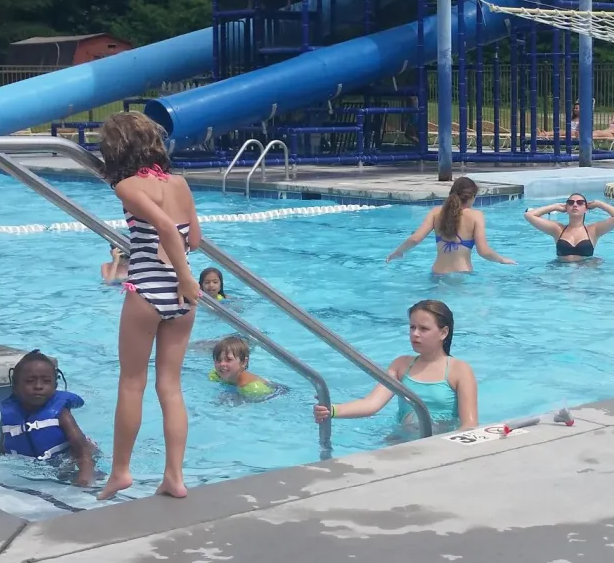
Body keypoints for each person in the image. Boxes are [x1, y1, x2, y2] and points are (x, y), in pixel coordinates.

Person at [96, 111, 202, 501]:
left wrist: (184, 276)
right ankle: (174, 476)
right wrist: (186, 279)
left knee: (131, 383)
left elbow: (165, 229)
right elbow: (196, 239)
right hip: (183, 298)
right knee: (170, 386)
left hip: (148, 288)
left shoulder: (127, 186)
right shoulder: (179, 182)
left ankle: (121, 471)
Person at [313, 300, 478, 435]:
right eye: (412, 327)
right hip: (400, 441)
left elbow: (469, 425)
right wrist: (332, 410)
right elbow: (372, 403)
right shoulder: (401, 365)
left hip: (438, 442)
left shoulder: (460, 370)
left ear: (443, 333)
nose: (415, 334)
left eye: (424, 329)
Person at [0, 351, 94, 486]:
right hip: (35, 468)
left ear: (55, 386)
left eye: (46, 381)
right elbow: (1, 452)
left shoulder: (61, 413)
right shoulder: (9, 417)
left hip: (67, 461)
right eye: (30, 381)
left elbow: (82, 449)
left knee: (68, 475)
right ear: (15, 387)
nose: (38, 386)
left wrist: (84, 479)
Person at [387, 177, 514, 274]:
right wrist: (502, 259)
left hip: (437, 274)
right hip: (462, 276)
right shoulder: (476, 216)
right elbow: (484, 251)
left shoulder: (436, 212)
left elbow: (415, 239)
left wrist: (398, 251)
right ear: (472, 197)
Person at [523, 193, 614, 262]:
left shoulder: (593, 230)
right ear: (566, 208)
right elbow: (529, 215)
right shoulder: (558, 229)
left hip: (586, 273)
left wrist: (599, 204)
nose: (575, 205)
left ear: (586, 209)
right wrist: (554, 206)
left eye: (580, 203)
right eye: (571, 203)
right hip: (560, 271)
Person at [209, 336, 273, 401]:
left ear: (244, 362)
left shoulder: (254, 390)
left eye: (228, 360)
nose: (222, 364)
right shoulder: (216, 374)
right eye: (218, 360)